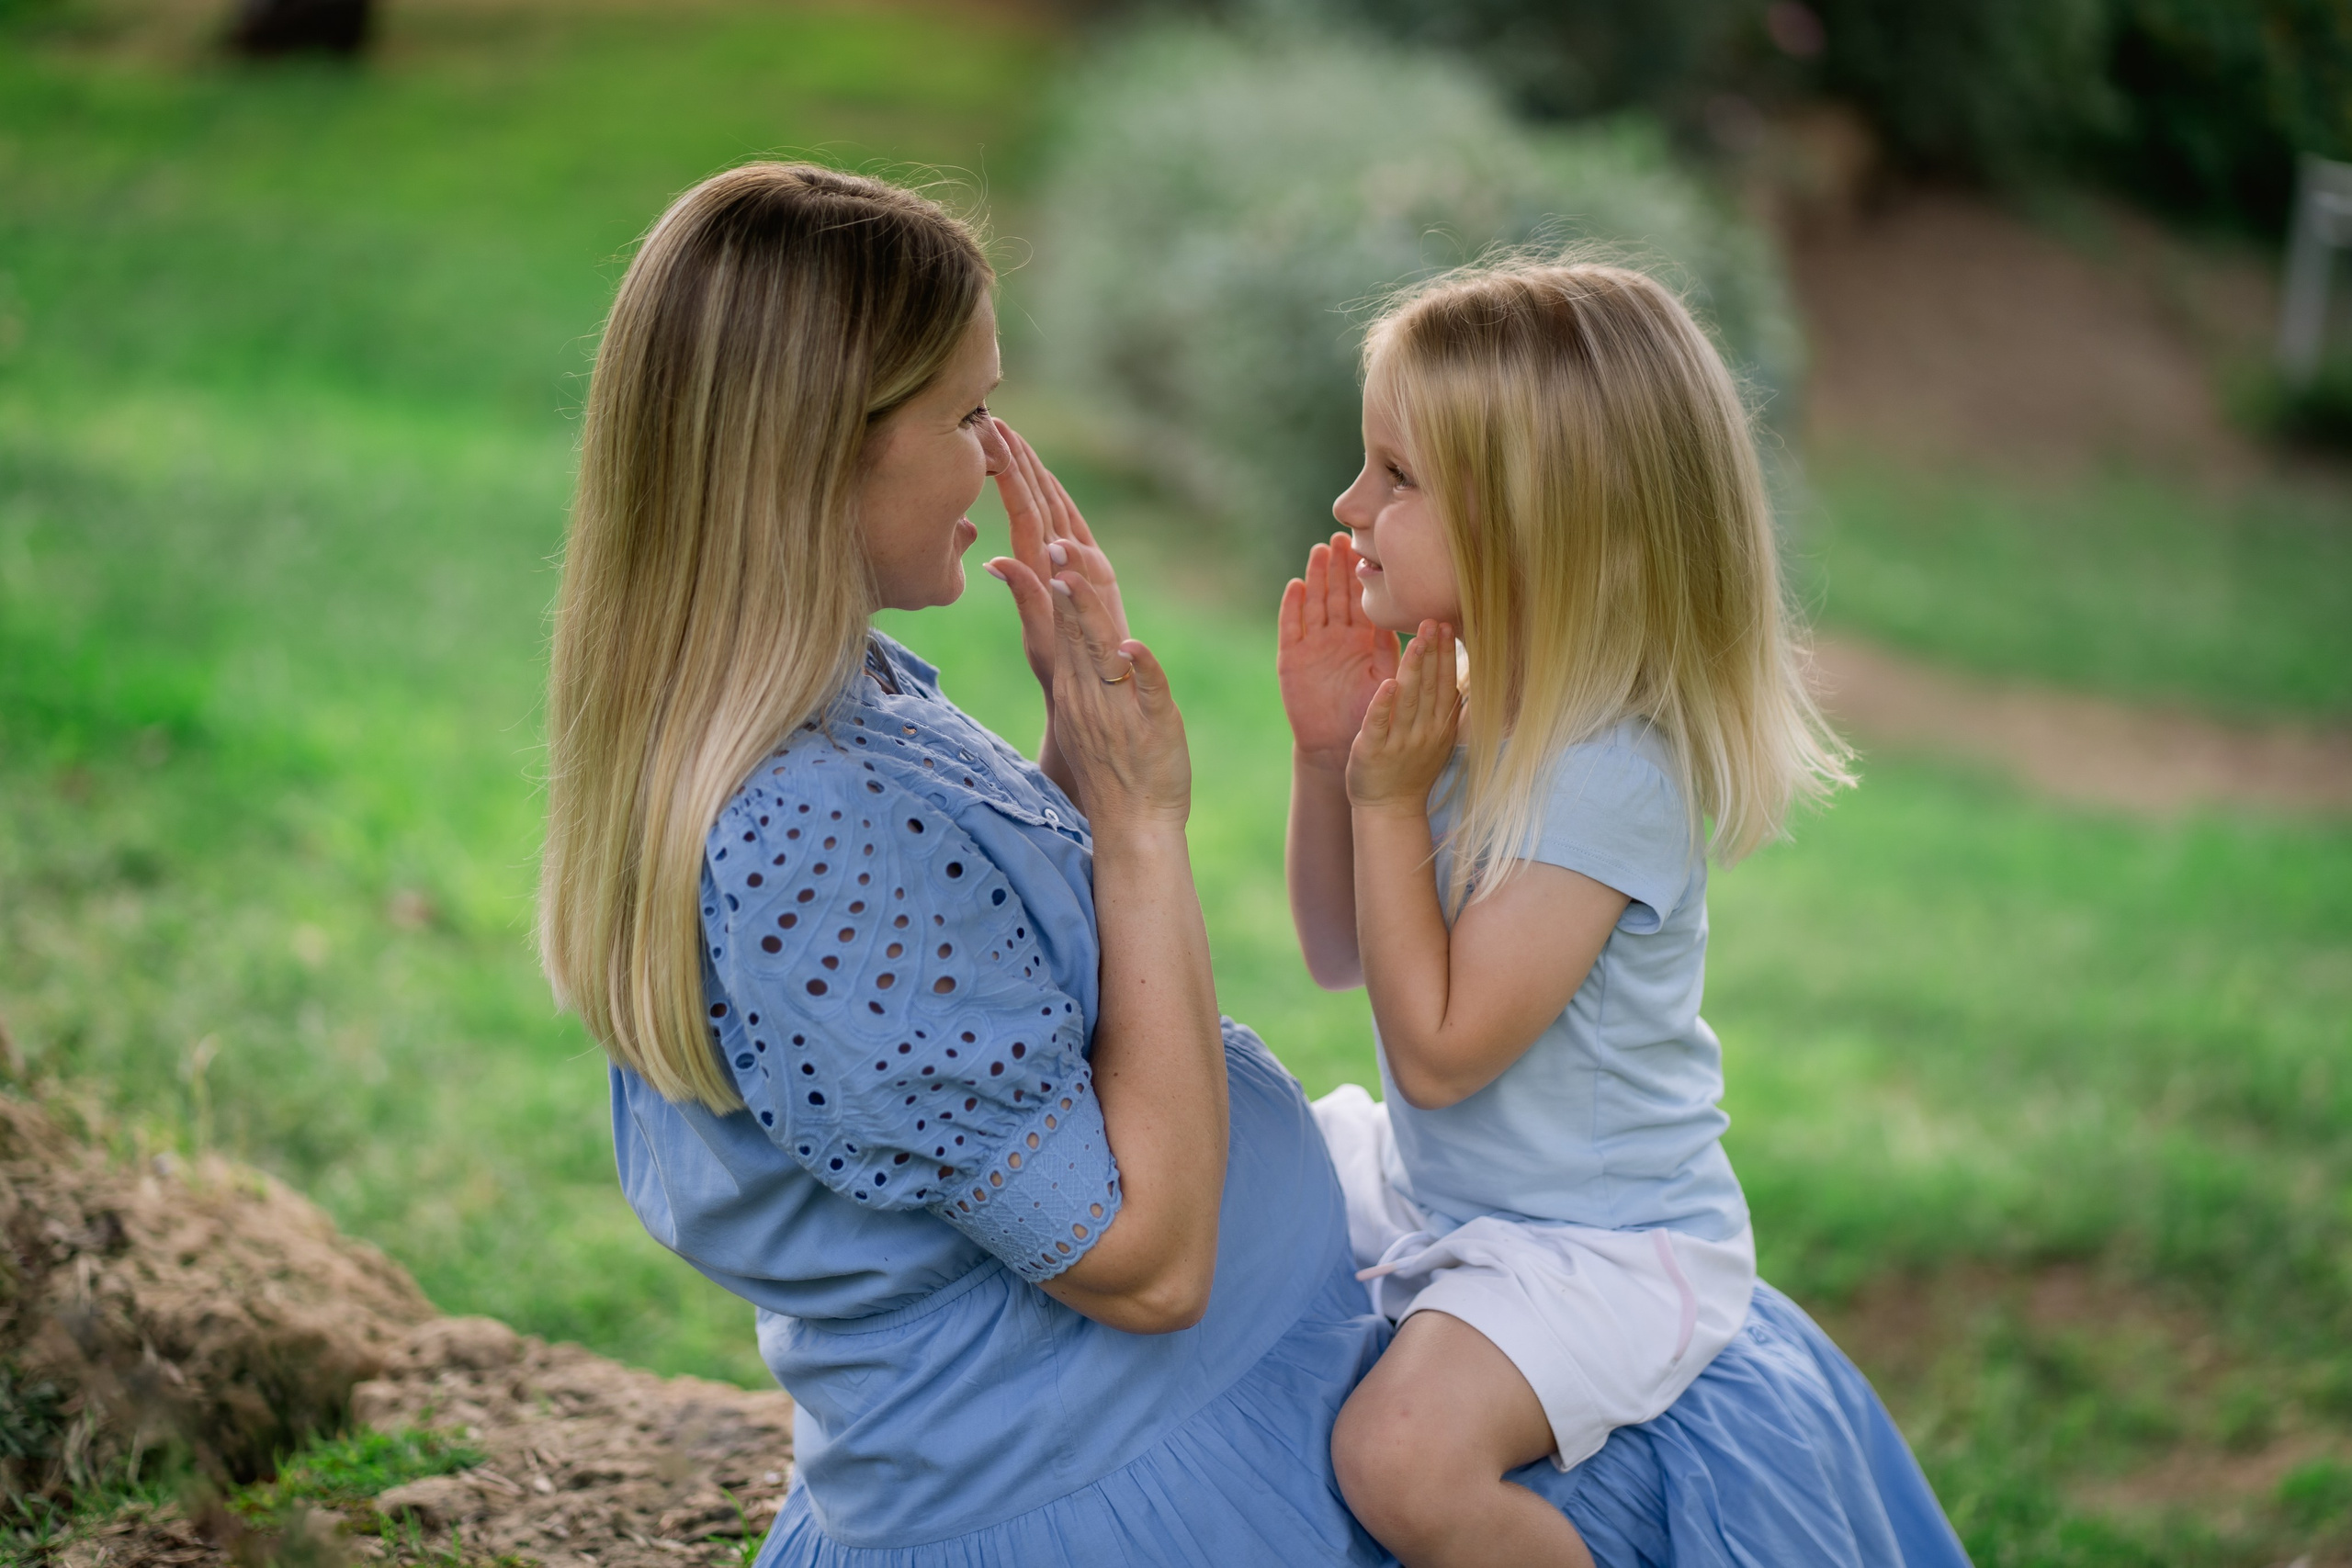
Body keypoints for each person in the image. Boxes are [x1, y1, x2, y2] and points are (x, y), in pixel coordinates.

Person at [537, 162, 1970, 1567]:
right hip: (1176, 1401)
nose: (997, 450)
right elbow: (1159, 1227)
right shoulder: (798, 824)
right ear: (818, 452)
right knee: (1402, 1452)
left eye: (1394, 478)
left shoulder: (863, 697)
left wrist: (1097, 751)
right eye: (969, 411)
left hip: (1562, 1234)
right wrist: (1260, 796)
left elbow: (982, 974)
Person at [1279, 259, 1856, 1568]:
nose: (1348, 504)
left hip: (1601, 1245)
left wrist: (1385, 803)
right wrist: (1333, 756)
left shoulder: (1606, 774)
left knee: (1400, 1460)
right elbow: (1334, 954)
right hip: (1450, 1194)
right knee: (1234, 1149)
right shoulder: (1463, 707)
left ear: (1539, 528)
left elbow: (1437, 1050)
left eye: (1397, 477)